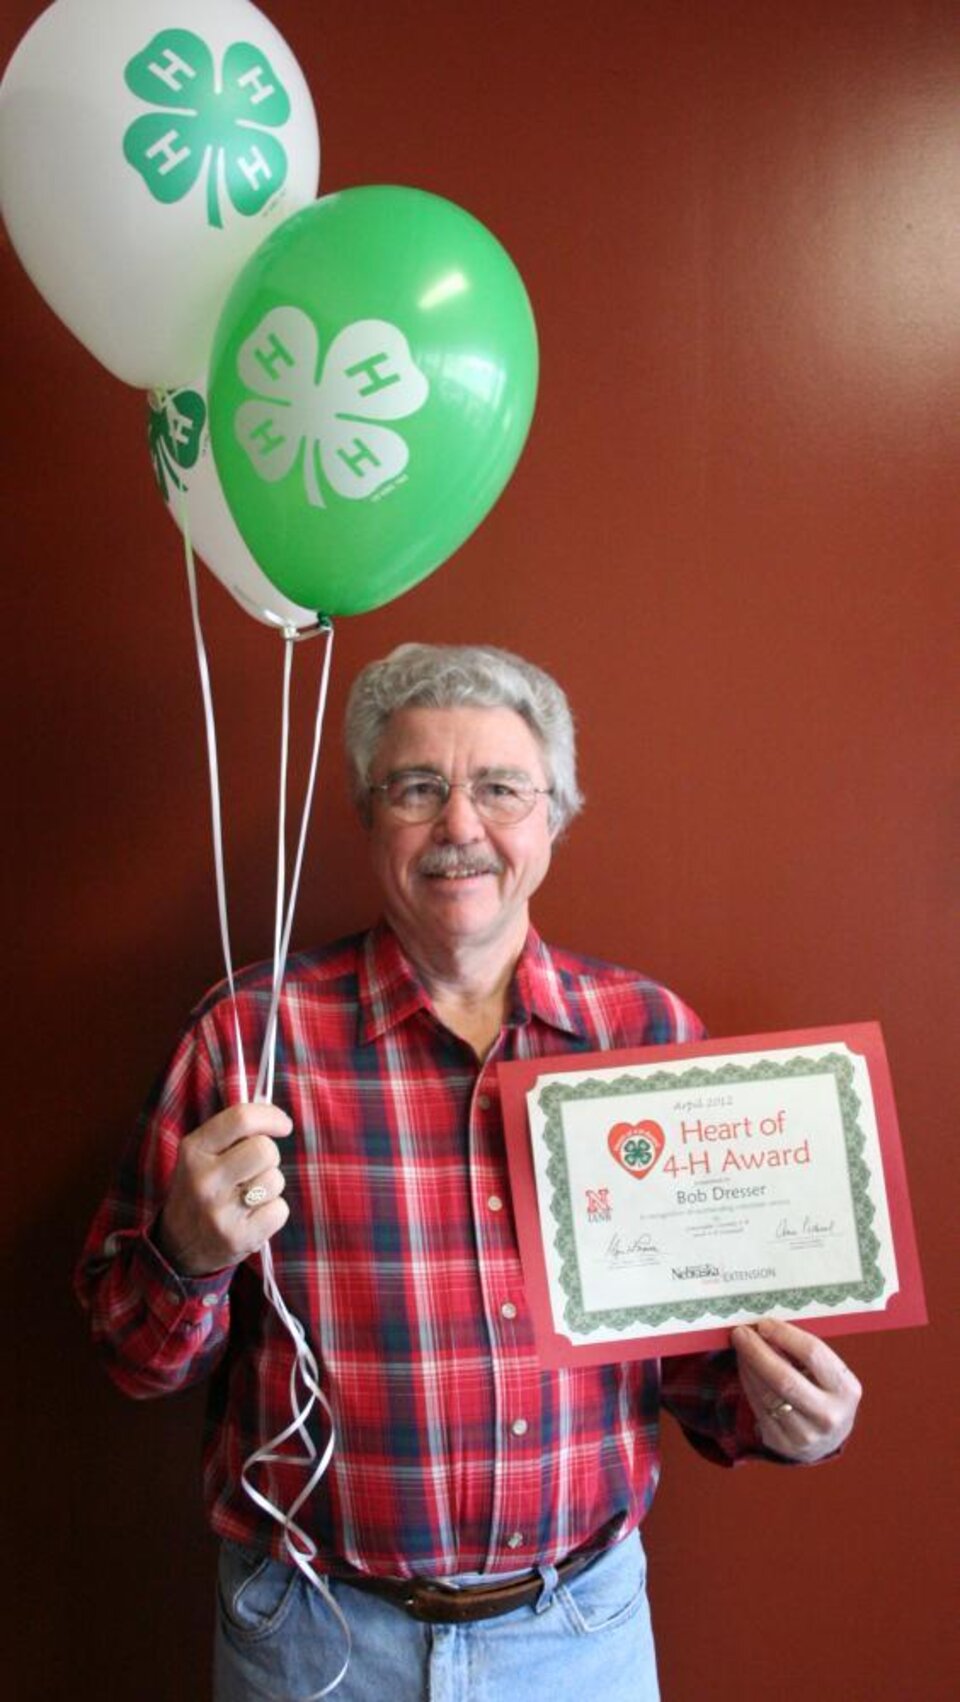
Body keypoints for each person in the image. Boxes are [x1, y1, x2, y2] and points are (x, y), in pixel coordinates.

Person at [77, 643, 861, 1702]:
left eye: (500, 787)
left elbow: (694, 1368)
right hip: (312, 1642)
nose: (459, 825)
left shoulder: (646, 1037)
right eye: (416, 787)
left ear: (554, 815)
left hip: (577, 1636)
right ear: (367, 813)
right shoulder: (248, 1037)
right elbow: (134, 1357)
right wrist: (187, 1253)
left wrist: (787, 1412)